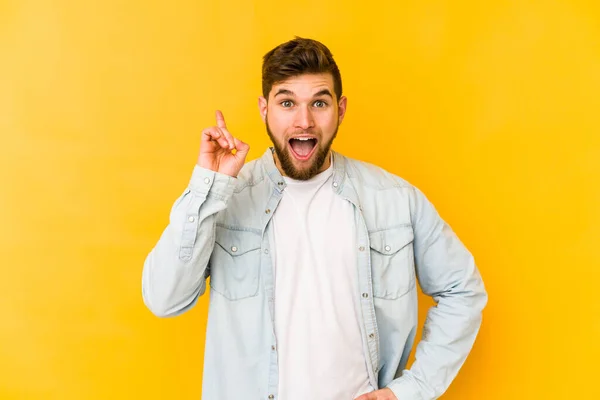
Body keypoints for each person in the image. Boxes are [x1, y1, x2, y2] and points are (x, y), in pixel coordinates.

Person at [142, 37, 488, 400]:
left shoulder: (395, 199)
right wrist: (209, 186)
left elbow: (462, 291)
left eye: (318, 103)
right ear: (264, 109)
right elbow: (164, 298)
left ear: (340, 109)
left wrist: (409, 392)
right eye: (287, 102)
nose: (303, 121)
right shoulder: (226, 196)